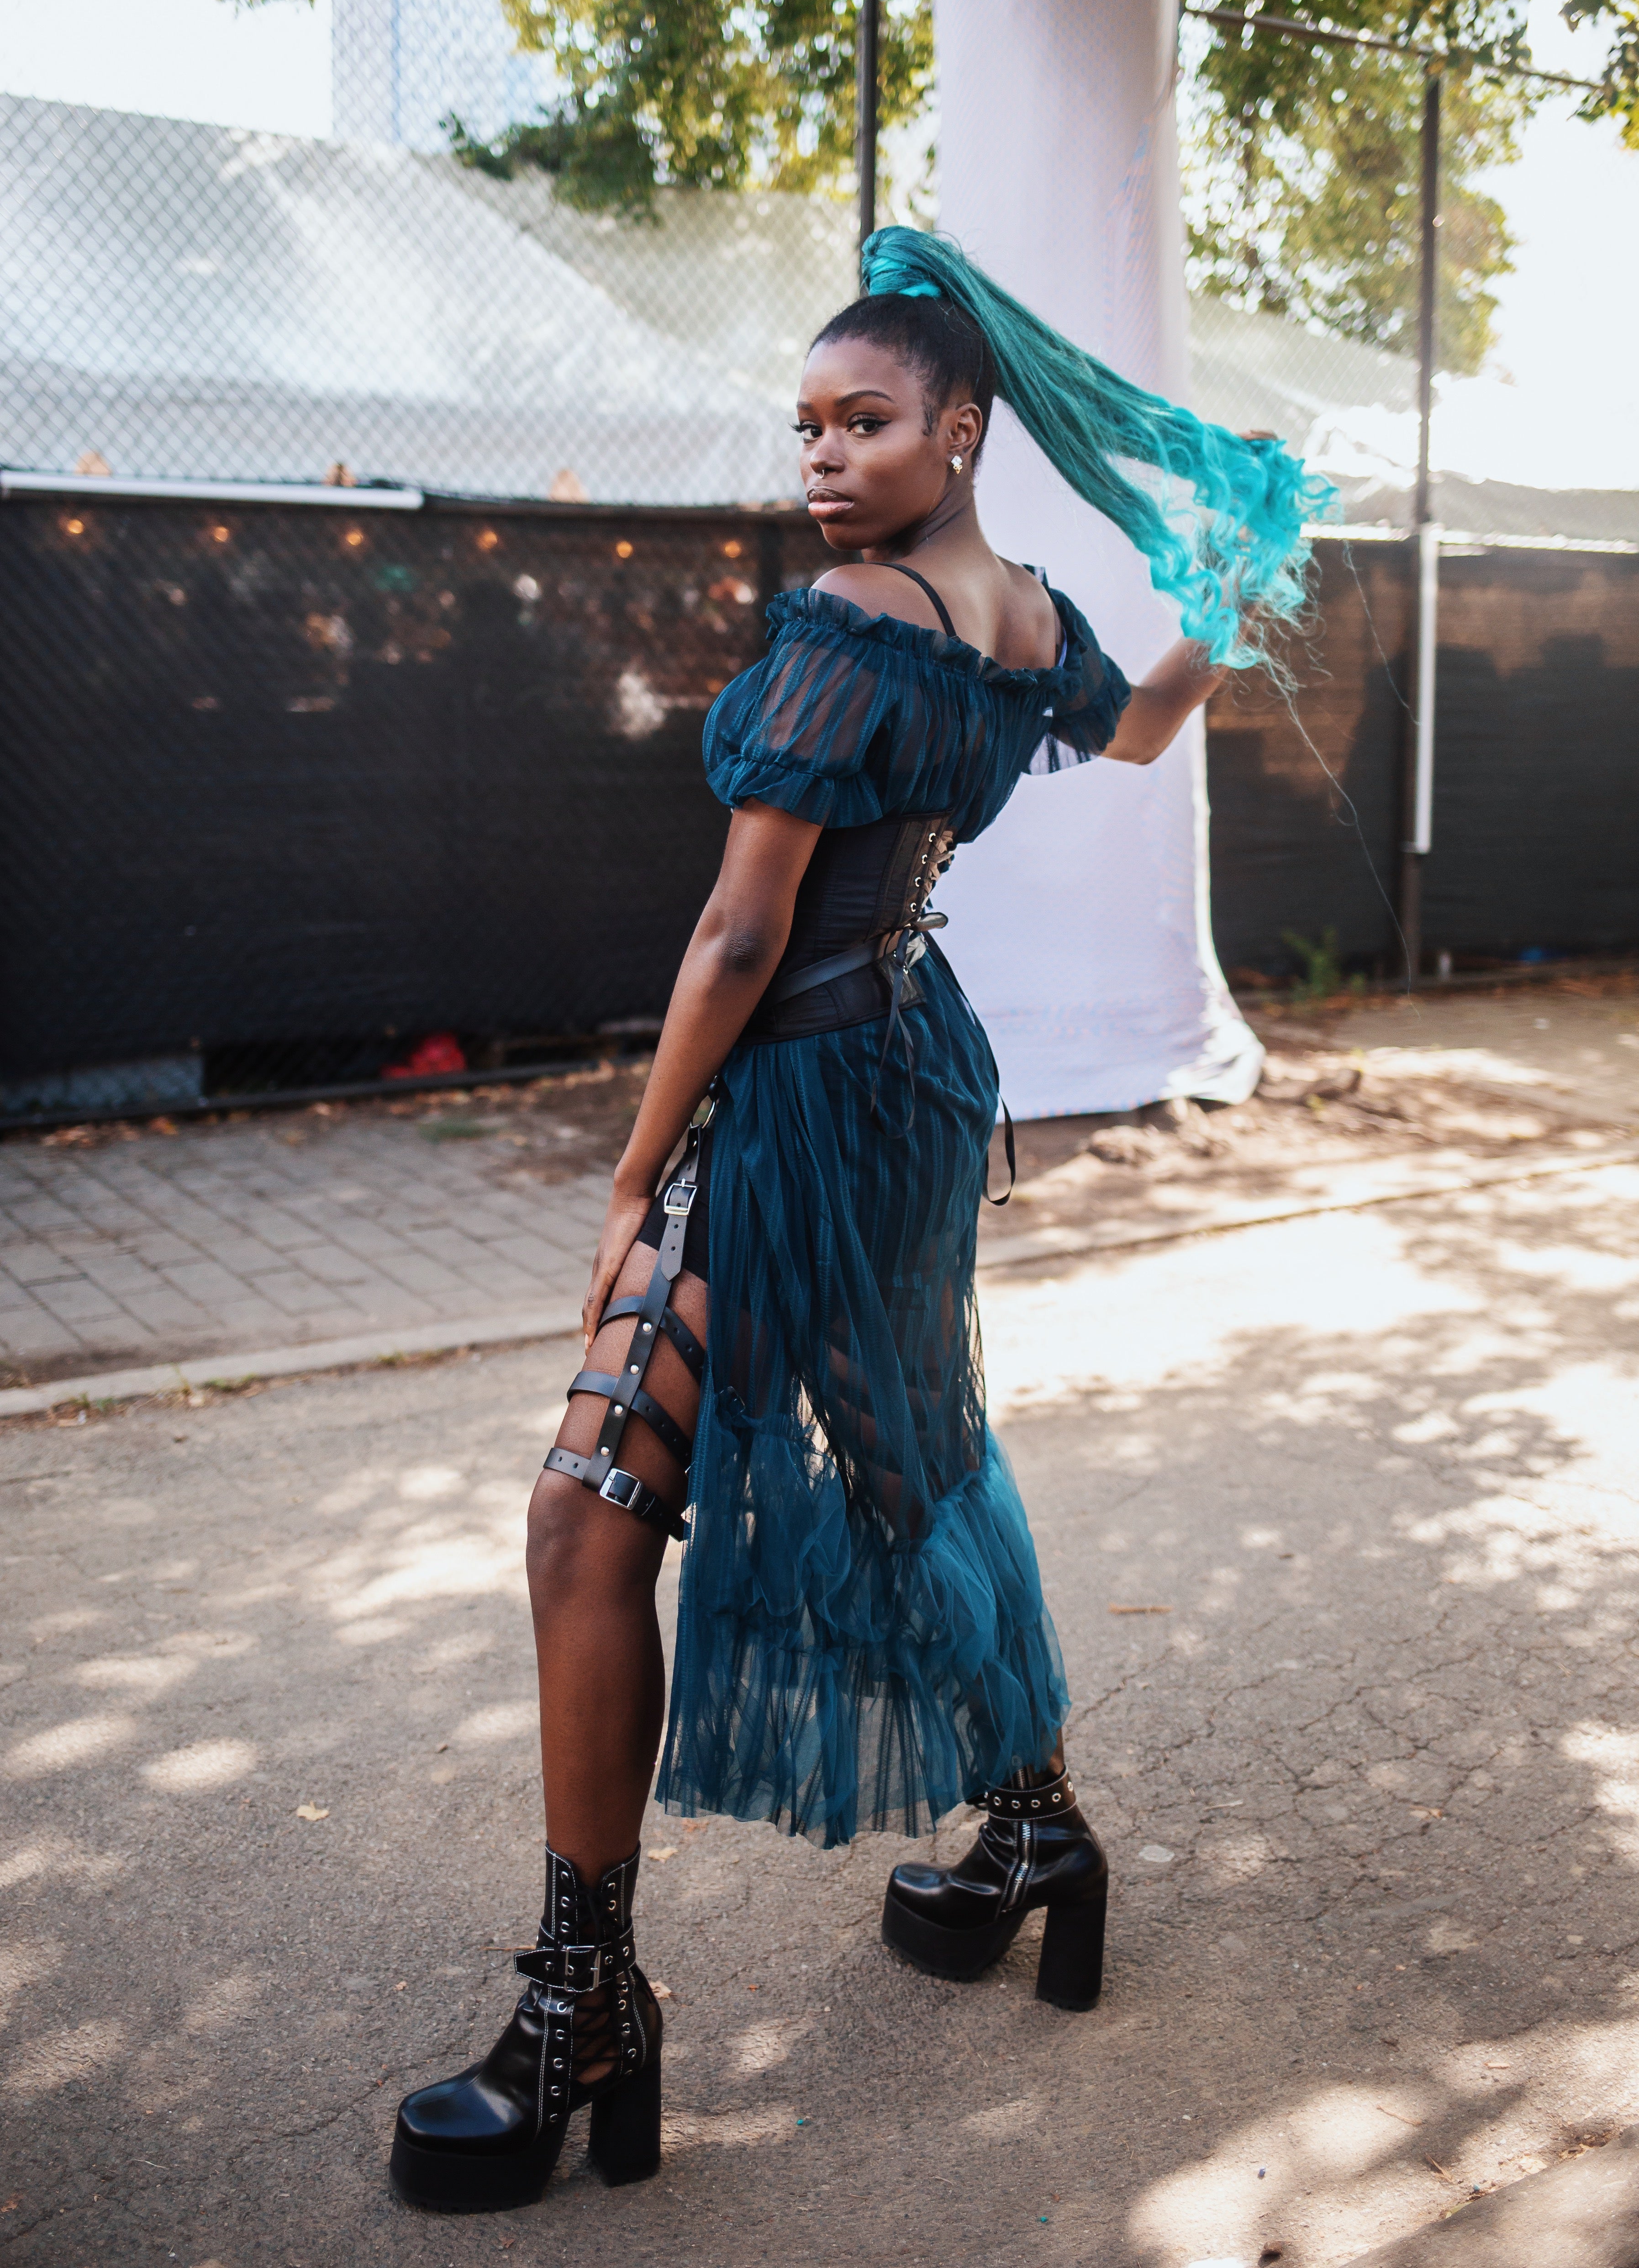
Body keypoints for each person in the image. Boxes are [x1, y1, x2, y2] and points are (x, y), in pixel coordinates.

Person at [388, 229, 1330, 2214]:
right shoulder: (1014, 614)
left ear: (959, 428)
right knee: (910, 1463)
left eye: (865, 419)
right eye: (805, 425)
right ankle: (1038, 1836)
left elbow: (737, 930)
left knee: (580, 1523)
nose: (822, 455)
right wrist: (1226, 601)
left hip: (808, 1094)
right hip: (914, 1077)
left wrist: (643, 1166)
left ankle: (582, 2007)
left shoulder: (844, 623)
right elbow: (1145, 723)